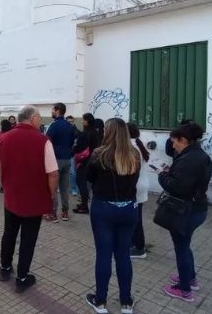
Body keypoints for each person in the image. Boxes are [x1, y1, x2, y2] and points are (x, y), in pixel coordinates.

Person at [0, 105, 58, 293]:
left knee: (9, 233)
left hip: (12, 197)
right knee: (28, 239)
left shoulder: (3, 138)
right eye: (39, 117)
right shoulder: (43, 141)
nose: (40, 121)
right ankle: (22, 277)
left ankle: (5, 268)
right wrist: (50, 194)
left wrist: (6, 183)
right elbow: (53, 173)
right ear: (32, 119)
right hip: (34, 199)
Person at [85, 118, 141, 314]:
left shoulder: (99, 154)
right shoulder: (135, 154)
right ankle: (126, 302)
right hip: (128, 209)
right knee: (123, 255)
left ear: (108, 132)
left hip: (104, 209)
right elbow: (134, 179)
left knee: (104, 254)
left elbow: (89, 178)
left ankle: (100, 301)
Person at [155, 123, 212, 303]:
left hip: (185, 211)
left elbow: (177, 186)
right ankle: (190, 277)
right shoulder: (198, 155)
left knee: (181, 248)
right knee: (185, 245)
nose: (173, 146)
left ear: (184, 140)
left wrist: (161, 174)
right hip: (196, 208)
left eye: (175, 142)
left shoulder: (189, 159)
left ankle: (185, 289)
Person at [45, 102, 77, 222]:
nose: (51, 111)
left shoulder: (54, 125)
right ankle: (65, 213)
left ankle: (52, 214)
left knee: (53, 187)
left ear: (57, 110)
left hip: (55, 160)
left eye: (52, 109)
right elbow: (72, 142)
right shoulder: (70, 126)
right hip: (67, 159)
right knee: (64, 187)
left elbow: (47, 141)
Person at [128, 123, 150, 259]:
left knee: (135, 218)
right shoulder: (138, 143)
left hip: (135, 186)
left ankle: (139, 248)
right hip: (141, 184)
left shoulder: (131, 146)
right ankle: (134, 244)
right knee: (135, 216)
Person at [73, 113, 101, 214]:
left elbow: (79, 147)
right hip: (93, 160)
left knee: (81, 182)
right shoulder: (95, 132)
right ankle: (85, 204)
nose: (82, 121)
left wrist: (74, 149)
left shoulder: (85, 133)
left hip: (83, 161)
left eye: (83, 120)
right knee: (87, 183)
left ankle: (84, 205)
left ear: (87, 121)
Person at [0, 119, 13, 193]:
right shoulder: (12, 132)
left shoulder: (0, 133)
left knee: (2, 171)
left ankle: (3, 186)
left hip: (1, 154)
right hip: (10, 155)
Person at [66, 115, 79, 196]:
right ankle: (61, 187)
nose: (70, 123)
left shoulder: (77, 132)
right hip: (64, 154)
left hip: (72, 154)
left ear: (74, 122)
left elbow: (77, 144)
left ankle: (74, 188)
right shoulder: (64, 130)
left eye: (71, 121)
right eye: (68, 121)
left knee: (72, 172)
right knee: (61, 172)